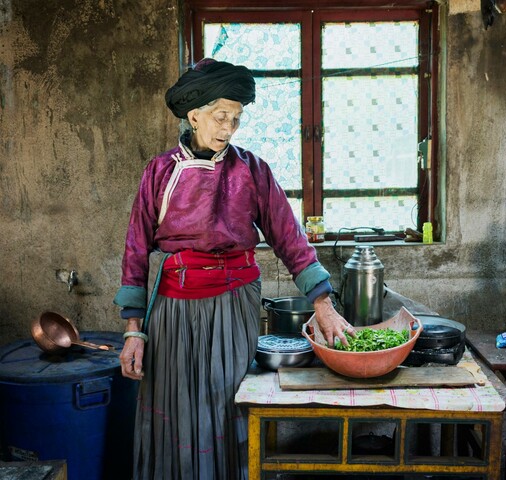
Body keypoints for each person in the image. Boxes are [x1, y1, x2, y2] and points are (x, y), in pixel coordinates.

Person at [114, 58, 354, 480]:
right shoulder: (159, 172)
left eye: (237, 118)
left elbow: (290, 239)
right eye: (220, 116)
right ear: (193, 115)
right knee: (178, 406)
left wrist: (324, 304)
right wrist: (134, 331)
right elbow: (135, 251)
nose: (228, 127)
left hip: (234, 305)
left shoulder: (252, 170)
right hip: (175, 311)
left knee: (231, 404)